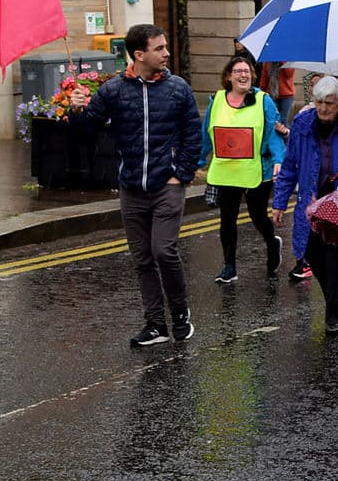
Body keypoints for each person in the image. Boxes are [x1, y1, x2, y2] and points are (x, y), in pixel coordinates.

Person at [69, 24, 202, 347]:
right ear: (139, 54)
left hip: (166, 185)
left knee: (163, 250)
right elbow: (86, 131)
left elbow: (193, 135)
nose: (166, 53)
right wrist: (76, 109)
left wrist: (180, 174)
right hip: (131, 188)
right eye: (159, 48)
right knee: (142, 258)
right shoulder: (114, 90)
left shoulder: (178, 89)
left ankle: (180, 313)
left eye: (166, 46)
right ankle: (155, 324)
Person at [272, 77, 338, 334]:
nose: (323, 108)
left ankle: (334, 313)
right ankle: (336, 288)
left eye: (329, 103)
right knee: (314, 256)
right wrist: (279, 201)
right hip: (312, 201)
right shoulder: (301, 123)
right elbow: (290, 164)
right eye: (319, 102)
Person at [199, 56, 286, 283]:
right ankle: (229, 266)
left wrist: (279, 159)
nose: (243, 75)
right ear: (229, 76)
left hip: (257, 169)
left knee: (258, 216)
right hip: (226, 170)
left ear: (252, 76)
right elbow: (206, 133)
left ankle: (272, 243)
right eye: (237, 71)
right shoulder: (216, 100)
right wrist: (197, 161)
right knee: (227, 218)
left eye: (246, 71)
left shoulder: (263, 100)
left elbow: (273, 132)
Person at [259, 61, 296, 129]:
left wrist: (282, 61)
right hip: (271, 95)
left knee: (283, 120)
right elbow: (264, 77)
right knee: (272, 120)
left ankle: (286, 138)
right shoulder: (268, 62)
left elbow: (289, 74)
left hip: (287, 96)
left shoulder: (289, 60)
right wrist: (261, 92)